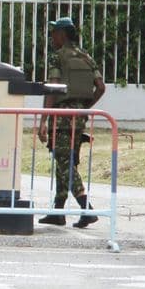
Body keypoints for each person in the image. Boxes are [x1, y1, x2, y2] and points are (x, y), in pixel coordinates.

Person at [37, 17, 107, 228]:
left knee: (64, 161)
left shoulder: (58, 57)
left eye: (54, 32)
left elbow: (52, 88)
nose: (51, 37)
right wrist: (85, 108)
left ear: (63, 34)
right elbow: (101, 87)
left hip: (62, 117)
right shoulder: (86, 56)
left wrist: (43, 121)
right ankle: (58, 212)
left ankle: (86, 209)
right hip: (79, 116)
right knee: (65, 161)